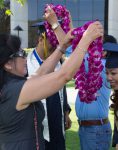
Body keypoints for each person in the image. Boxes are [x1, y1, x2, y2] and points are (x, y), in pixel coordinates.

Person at [0, 8, 104, 150]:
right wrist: (85, 40)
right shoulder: (15, 90)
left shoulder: (10, 85)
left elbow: (39, 74)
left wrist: (62, 47)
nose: (24, 57)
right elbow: (63, 76)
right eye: (20, 53)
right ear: (7, 64)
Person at [27, 8, 71, 150]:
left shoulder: (59, 62)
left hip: (57, 125)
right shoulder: (26, 64)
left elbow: (62, 87)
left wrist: (66, 111)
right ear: (41, 39)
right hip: (36, 129)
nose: (56, 50)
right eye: (53, 45)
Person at [75, 35, 117, 150]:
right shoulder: (95, 64)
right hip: (90, 128)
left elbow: (78, 56)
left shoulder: (103, 66)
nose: (92, 47)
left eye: (95, 45)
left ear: (103, 52)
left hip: (95, 129)